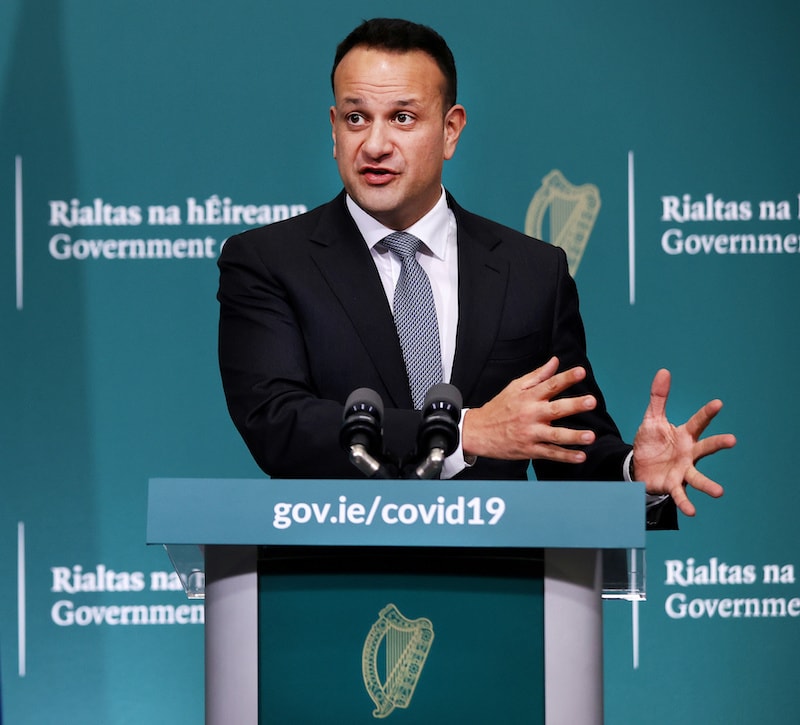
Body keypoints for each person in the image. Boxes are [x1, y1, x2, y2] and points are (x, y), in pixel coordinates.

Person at [217, 18, 735, 529]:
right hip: (332, 581)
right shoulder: (268, 261)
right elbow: (277, 425)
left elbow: (568, 444)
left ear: (450, 129)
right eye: (356, 118)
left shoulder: (531, 271)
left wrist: (632, 475)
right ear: (333, 129)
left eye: (402, 118)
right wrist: (467, 432)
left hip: (494, 587)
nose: (374, 144)